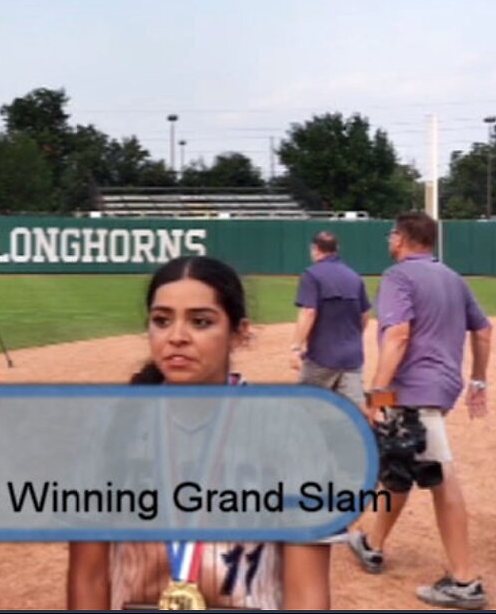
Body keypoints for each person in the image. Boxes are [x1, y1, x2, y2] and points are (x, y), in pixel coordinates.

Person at [66, 255, 332, 610]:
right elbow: (89, 578)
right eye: (161, 321)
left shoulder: (291, 430)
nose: (176, 337)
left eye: (201, 322)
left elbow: (306, 595)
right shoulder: (110, 424)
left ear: (239, 333)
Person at [346, 211, 493, 610]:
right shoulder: (452, 277)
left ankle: (464, 582)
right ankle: (373, 544)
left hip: (413, 390)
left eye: (391, 235)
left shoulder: (398, 277)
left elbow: (397, 335)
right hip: (436, 388)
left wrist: (376, 394)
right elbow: (483, 329)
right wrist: (478, 380)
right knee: (402, 464)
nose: (388, 241)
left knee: (440, 475)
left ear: (401, 238)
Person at [289, 231, 371, 411]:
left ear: (315, 249)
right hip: (353, 357)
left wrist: (296, 347)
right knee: (354, 413)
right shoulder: (354, 276)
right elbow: (365, 315)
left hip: (322, 357)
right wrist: (351, 338)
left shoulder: (312, 275)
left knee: (306, 409)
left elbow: (309, 312)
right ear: (337, 250)